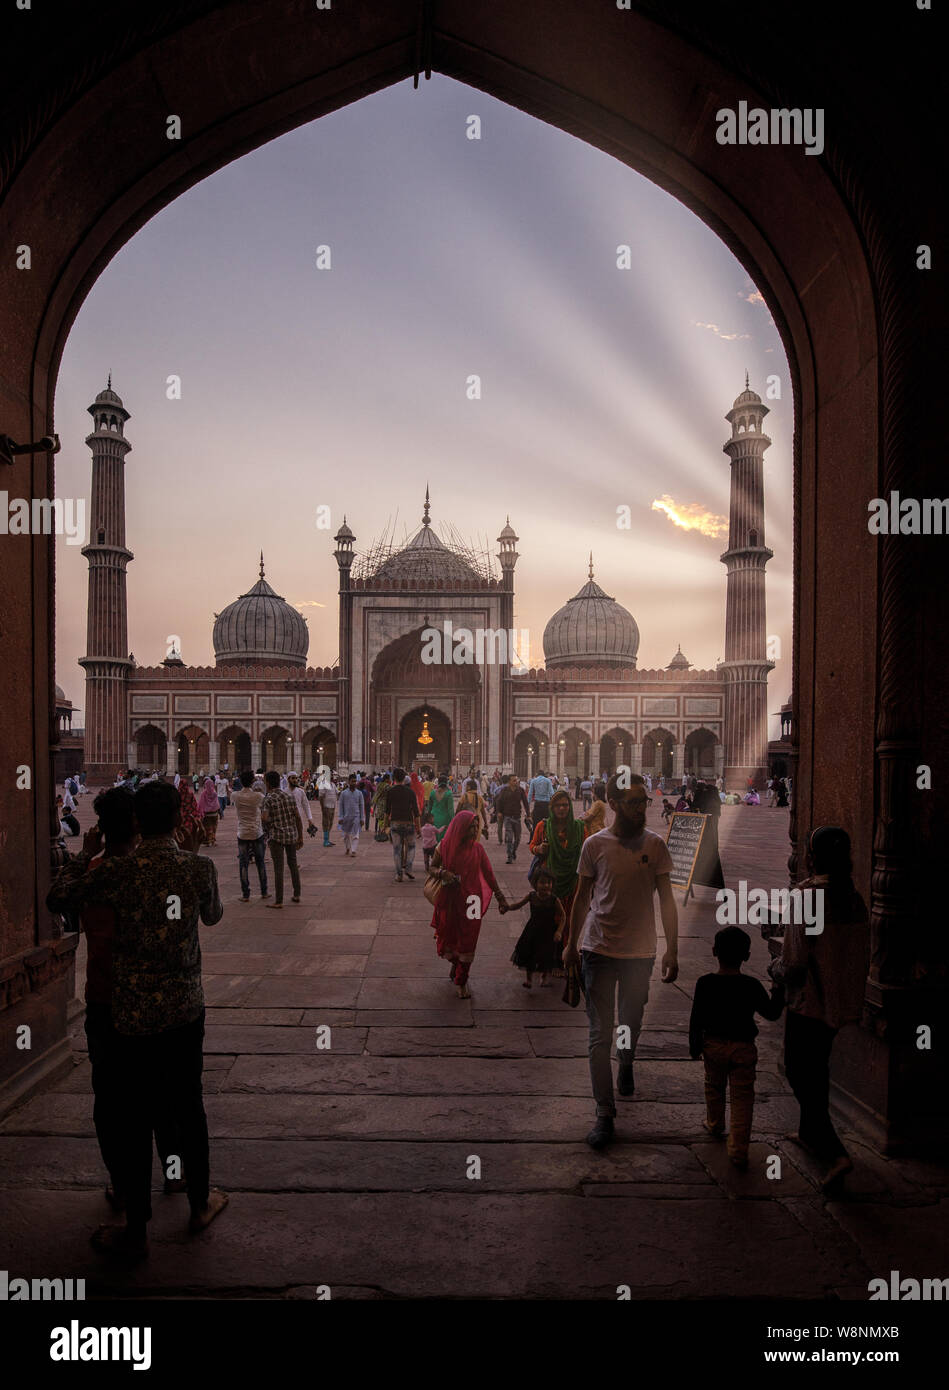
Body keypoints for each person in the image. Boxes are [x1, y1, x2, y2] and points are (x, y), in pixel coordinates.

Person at [46, 780, 227, 1256]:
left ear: (134, 823)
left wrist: (87, 854)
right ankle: (198, 1201)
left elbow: (59, 897)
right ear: (180, 821)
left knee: (131, 1115)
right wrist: (190, 859)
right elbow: (212, 916)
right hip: (184, 1010)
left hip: (128, 1014)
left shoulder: (118, 872)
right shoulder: (197, 868)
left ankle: (137, 1230)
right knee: (187, 1107)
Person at [562, 772, 679, 1150]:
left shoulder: (656, 845)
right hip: (598, 949)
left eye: (643, 801)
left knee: (630, 1021)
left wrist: (672, 948)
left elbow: (666, 900)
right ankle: (604, 1111)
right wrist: (570, 944)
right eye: (633, 802)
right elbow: (581, 898)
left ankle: (626, 1060)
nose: (641, 808)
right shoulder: (595, 845)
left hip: (639, 952)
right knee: (599, 1034)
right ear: (613, 804)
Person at [776, 825, 869, 1191]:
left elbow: (794, 962)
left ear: (812, 856)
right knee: (818, 1067)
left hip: (809, 1001)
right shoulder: (853, 896)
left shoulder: (807, 896)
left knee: (800, 1072)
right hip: (840, 1002)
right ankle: (808, 1134)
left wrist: (774, 970)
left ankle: (835, 1152)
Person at [689, 926, 785, 1169]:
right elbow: (772, 1013)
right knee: (742, 1099)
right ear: (747, 956)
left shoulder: (705, 983)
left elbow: (696, 1019)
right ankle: (739, 1149)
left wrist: (694, 1046)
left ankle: (715, 1124)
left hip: (713, 1046)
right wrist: (778, 987)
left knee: (714, 1087)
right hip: (743, 1048)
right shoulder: (751, 985)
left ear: (714, 952)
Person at [429, 809, 508, 998]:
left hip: (473, 901)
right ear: (460, 828)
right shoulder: (444, 846)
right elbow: (432, 867)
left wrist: (500, 897)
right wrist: (442, 873)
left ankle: (461, 980)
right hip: (450, 900)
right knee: (449, 936)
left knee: (469, 940)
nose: (474, 830)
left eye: (476, 826)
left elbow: (489, 874)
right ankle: (457, 966)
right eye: (470, 827)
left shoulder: (478, 850)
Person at [527, 789, 587, 931]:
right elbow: (532, 845)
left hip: (572, 880)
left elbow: (587, 852)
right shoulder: (543, 826)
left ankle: (565, 949)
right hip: (549, 881)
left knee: (569, 920)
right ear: (552, 808)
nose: (561, 808)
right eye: (557, 805)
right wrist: (539, 849)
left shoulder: (579, 828)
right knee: (547, 922)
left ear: (570, 807)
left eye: (565, 805)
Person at [507, 868, 566, 989]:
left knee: (546, 955)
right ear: (535, 883)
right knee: (529, 954)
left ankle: (544, 977)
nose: (546, 885)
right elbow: (517, 905)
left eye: (549, 883)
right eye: (542, 882)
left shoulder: (554, 900)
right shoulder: (531, 896)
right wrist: (507, 908)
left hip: (548, 932)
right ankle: (529, 979)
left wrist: (559, 931)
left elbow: (563, 916)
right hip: (532, 931)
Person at [261, 770, 303, 907]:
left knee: (278, 868)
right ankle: (297, 894)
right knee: (293, 865)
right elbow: (297, 817)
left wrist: (268, 829)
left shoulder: (268, 798)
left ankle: (279, 901)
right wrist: (300, 836)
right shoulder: (289, 796)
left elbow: (265, 818)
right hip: (291, 835)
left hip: (276, 837)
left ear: (267, 783)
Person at [234, 767, 269, 901]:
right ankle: (264, 892)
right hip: (256, 832)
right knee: (260, 862)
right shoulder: (258, 796)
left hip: (242, 832)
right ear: (252, 782)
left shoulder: (235, 796)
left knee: (243, 864)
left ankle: (245, 894)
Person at [385, 767, 422, 882]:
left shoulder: (390, 791)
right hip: (408, 823)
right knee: (411, 847)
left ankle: (398, 874)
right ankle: (409, 868)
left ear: (393, 778)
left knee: (397, 849)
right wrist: (419, 828)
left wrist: (385, 826)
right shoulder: (410, 792)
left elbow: (387, 811)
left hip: (395, 823)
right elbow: (416, 812)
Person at [691, 780, 725, 892]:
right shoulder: (712, 792)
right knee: (713, 835)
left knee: (707, 837)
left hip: (708, 818)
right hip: (714, 816)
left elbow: (696, 805)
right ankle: (713, 851)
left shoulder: (702, 793)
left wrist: (689, 800)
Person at [494, 772, 530, 863]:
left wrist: (528, 814)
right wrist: (498, 812)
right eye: (514, 780)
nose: (516, 782)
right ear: (509, 781)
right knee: (509, 837)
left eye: (516, 780)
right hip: (508, 817)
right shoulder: (504, 790)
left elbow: (525, 803)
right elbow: (499, 802)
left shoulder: (520, 790)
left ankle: (513, 851)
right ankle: (509, 856)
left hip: (517, 817)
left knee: (518, 838)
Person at [175, 776, 205, 853]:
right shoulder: (190, 794)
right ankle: (190, 851)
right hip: (189, 820)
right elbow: (194, 806)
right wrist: (196, 816)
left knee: (180, 839)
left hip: (180, 820)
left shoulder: (177, 795)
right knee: (190, 839)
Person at [338, 773, 363, 856]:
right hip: (346, 817)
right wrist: (340, 817)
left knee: (356, 834)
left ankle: (353, 850)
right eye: (352, 781)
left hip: (356, 816)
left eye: (355, 781)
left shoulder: (359, 793)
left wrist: (362, 818)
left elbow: (361, 806)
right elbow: (341, 806)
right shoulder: (343, 793)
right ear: (348, 782)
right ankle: (348, 847)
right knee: (346, 835)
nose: (354, 783)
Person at [427, 774, 455, 844]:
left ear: (438, 782)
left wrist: (427, 819)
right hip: (445, 820)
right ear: (446, 782)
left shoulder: (432, 793)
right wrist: (454, 821)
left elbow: (429, 808)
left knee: (434, 840)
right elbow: (450, 810)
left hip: (434, 819)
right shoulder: (449, 794)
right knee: (444, 841)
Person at [289, 774, 316, 838]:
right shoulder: (284, 792)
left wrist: (310, 819)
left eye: (296, 778)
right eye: (293, 778)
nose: (295, 780)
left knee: (298, 838)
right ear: (288, 779)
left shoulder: (301, 792)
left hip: (299, 818)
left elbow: (306, 805)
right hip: (287, 820)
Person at [196, 776, 220, 846]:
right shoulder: (214, 793)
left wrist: (200, 812)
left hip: (207, 814)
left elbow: (201, 803)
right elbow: (217, 803)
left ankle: (208, 841)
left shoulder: (204, 793)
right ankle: (213, 841)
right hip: (214, 813)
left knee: (207, 827)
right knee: (214, 827)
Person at [318, 771, 337, 847]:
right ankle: (325, 841)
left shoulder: (333, 784)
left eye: (332, 775)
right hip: (326, 807)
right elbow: (321, 797)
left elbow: (337, 793)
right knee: (326, 824)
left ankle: (328, 839)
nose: (332, 776)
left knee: (330, 823)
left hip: (332, 806)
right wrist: (322, 808)